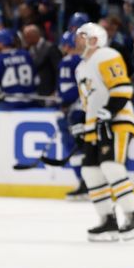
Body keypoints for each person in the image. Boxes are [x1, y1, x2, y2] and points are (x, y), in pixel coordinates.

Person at [74, 22, 134, 241]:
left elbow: (122, 89)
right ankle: (108, 220)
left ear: (94, 39)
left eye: (81, 36)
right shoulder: (81, 67)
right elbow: (89, 102)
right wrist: (83, 123)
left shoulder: (107, 55)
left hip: (117, 121)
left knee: (111, 166)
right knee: (90, 171)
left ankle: (133, 219)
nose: (76, 41)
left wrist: (109, 111)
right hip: (94, 125)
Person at [56, 31, 87, 201]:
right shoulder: (86, 61)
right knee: (84, 147)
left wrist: (63, 103)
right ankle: (89, 183)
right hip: (86, 110)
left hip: (73, 112)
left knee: (74, 147)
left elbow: (67, 91)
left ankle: (83, 183)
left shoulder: (68, 62)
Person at [0, 28, 37, 109]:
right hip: (31, 101)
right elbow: (37, 80)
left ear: (1, 43)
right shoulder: (26, 55)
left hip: (10, 103)